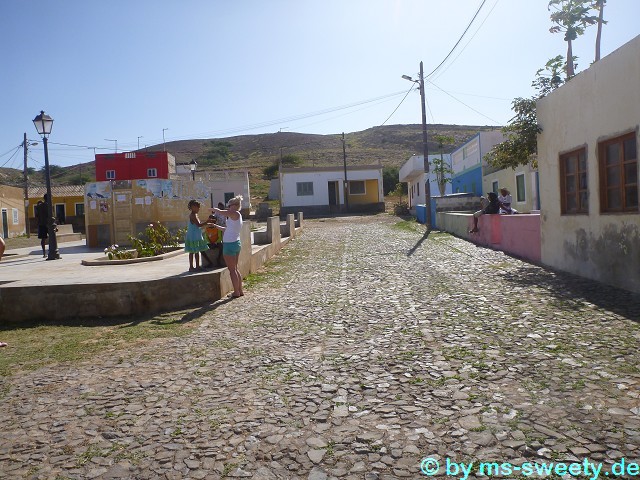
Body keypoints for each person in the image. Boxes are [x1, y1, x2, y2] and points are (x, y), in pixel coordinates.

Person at [211, 195, 244, 298]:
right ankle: (240, 290)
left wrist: (215, 210)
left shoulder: (234, 213)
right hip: (236, 243)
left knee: (232, 270)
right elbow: (227, 229)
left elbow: (223, 212)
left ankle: (236, 292)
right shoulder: (237, 216)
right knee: (235, 269)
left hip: (229, 244)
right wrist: (216, 226)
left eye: (229, 206)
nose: (228, 207)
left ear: (235, 205)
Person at [184, 200, 211, 271]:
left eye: (199, 207)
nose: (198, 208)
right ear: (192, 207)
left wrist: (207, 224)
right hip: (193, 236)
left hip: (195, 235)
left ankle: (196, 266)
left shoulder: (195, 215)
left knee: (195, 251)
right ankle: (192, 267)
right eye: (197, 207)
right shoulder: (193, 215)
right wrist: (207, 222)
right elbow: (199, 225)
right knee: (193, 252)